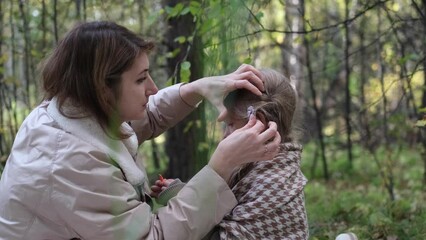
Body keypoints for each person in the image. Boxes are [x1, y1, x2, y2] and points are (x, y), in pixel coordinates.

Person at [0, 21, 282, 240]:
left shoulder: (73, 110)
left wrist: (195, 89)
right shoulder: (69, 161)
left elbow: (144, 117)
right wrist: (221, 167)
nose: (153, 88)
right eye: (140, 79)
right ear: (103, 89)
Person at [204, 69, 309, 240]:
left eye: (230, 124)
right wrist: (181, 193)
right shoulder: (253, 168)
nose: (224, 136)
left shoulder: (273, 181)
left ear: (258, 123)